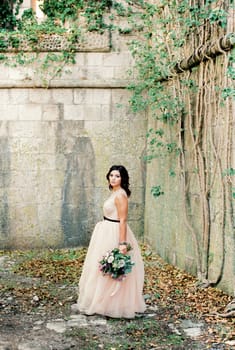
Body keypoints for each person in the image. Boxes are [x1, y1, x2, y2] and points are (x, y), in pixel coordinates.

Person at [76, 165, 146, 318]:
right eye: (112, 175)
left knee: (111, 267)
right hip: (105, 230)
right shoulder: (114, 193)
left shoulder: (120, 195)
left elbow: (123, 220)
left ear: (123, 179)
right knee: (101, 267)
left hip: (114, 232)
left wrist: (122, 243)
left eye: (117, 176)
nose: (113, 178)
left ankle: (114, 304)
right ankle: (103, 301)